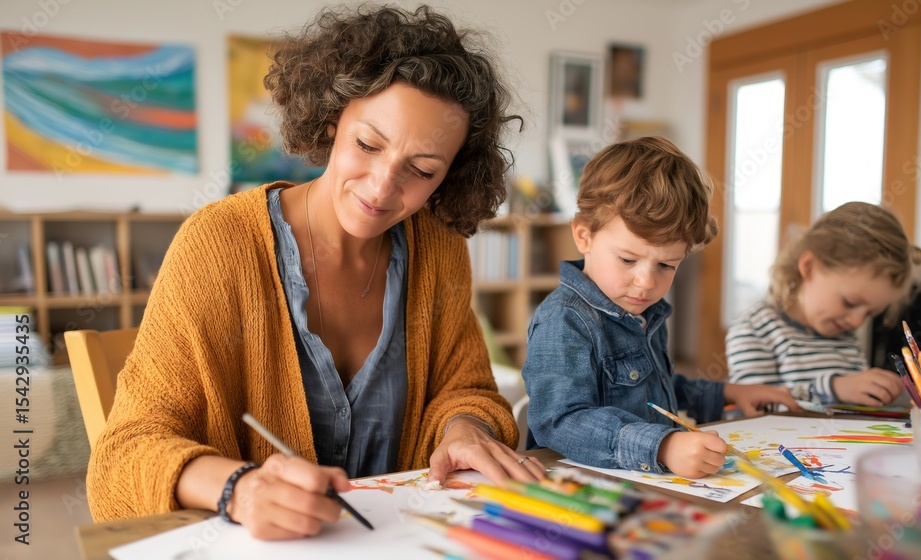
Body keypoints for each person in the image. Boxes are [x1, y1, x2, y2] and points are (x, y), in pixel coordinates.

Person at [87, 5, 546, 539]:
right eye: (368, 145)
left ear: (448, 176)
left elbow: (464, 388)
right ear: (332, 121)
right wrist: (238, 488)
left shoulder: (439, 250)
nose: (381, 188)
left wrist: (465, 427)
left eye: (422, 170)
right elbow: (122, 458)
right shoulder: (220, 245)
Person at [521, 137, 800, 480]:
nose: (646, 282)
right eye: (628, 259)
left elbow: (654, 391)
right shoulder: (564, 320)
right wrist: (662, 446)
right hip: (581, 487)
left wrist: (727, 392)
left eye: (667, 265)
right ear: (584, 236)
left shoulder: (645, 311)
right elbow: (559, 421)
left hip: (645, 479)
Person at [726, 201, 921, 406]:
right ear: (809, 267)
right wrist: (833, 389)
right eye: (850, 303)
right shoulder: (755, 328)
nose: (856, 322)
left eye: (869, 314)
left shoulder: (845, 338)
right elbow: (757, 407)